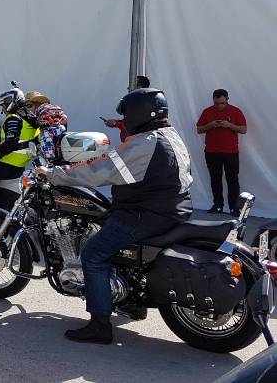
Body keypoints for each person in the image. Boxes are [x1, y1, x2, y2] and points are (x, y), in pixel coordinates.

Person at [35, 88, 193, 345]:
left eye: (127, 113)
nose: (125, 119)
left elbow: (101, 170)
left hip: (143, 214)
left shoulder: (145, 143)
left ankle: (99, 325)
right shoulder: (171, 135)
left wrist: (55, 174)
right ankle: (131, 303)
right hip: (174, 209)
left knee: (93, 254)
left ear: (139, 113)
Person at [0, 87, 40, 201]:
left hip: (7, 162)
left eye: (3, 105)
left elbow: (10, 144)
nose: (2, 109)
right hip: (20, 163)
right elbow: (17, 139)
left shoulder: (13, 118)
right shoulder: (27, 118)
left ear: (10, 103)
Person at [196, 89, 247, 216]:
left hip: (231, 152)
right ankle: (218, 205)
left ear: (227, 99)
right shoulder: (207, 111)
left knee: (232, 179)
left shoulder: (235, 111)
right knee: (215, 179)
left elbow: (243, 129)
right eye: (216, 103)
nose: (219, 106)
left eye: (222, 103)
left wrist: (229, 125)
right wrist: (211, 125)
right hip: (211, 152)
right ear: (213, 100)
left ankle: (234, 207)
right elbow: (199, 130)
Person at [104, 76, 150, 142]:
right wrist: (116, 123)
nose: (128, 88)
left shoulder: (143, 102)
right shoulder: (142, 101)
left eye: (131, 86)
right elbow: (131, 120)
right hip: (134, 143)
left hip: (137, 144)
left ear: (138, 87)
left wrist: (116, 123)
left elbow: (136, 123)